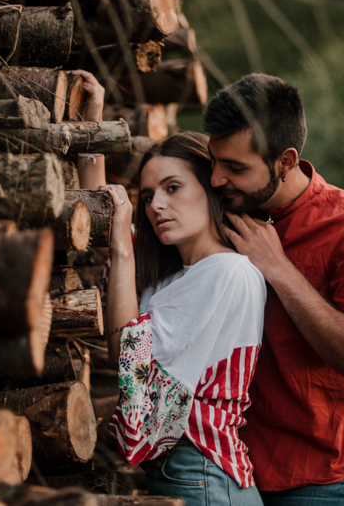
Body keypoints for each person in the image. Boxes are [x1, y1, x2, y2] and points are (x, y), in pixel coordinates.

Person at [202, 73, 344, 506]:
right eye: (214, 161)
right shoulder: (217, 201)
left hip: (312, 477)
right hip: (219, 465)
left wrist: (279, 269)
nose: (216, 179)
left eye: (235, 167)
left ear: (285, 162)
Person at [103, 132, 267, 506]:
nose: (156, 205)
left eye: (172, 187)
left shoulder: (225, 272)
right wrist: (88, 127)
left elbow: (127, 357)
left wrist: (121, 252)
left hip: (202, 474)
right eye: (147, 197)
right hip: (191, 475)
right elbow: (108, 213)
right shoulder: (176, 279)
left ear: (211, 190)